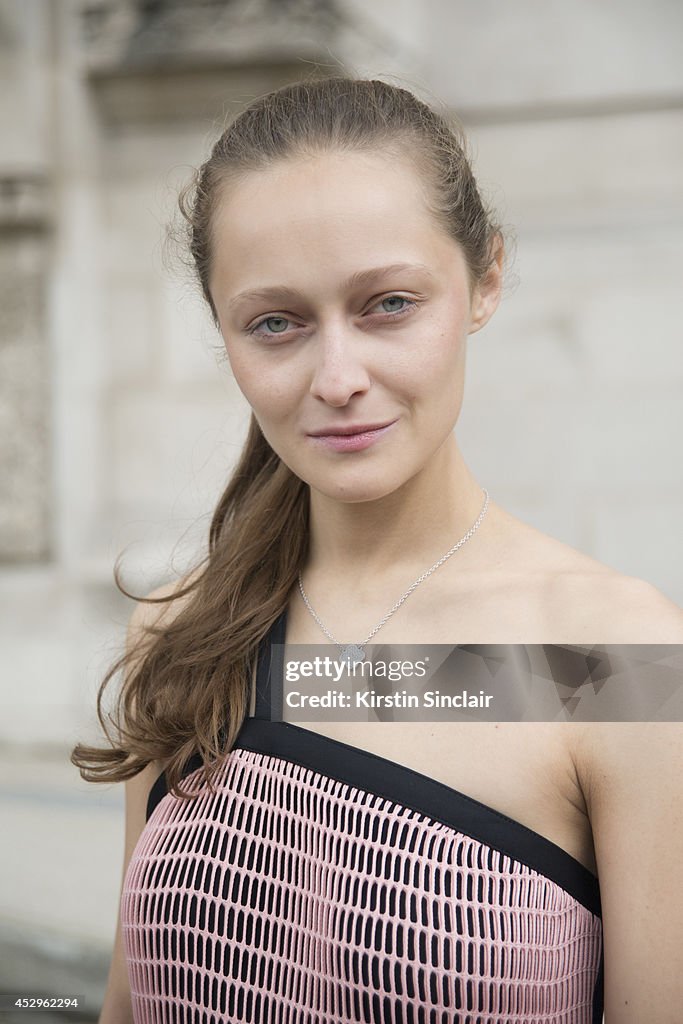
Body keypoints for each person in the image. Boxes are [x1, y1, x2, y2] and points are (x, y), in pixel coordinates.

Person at [73, 76, 683, 1024]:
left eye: (388, 304)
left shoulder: (614, 659)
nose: (338, 378)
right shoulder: (182, 629)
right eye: (275, 323)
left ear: (484, 281)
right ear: (223, 332)